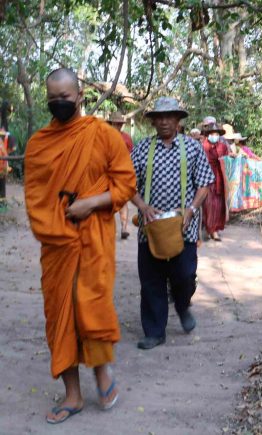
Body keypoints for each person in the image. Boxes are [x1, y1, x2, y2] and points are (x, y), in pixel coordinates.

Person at [24, 67, 136, 424]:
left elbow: (125, 185)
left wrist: (90, 203)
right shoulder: (39, 144)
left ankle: (102, 374)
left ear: (80, 97)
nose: (59, 103)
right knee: (60, 316)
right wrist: (56, 225)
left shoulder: (102, 136)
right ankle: (72, 394)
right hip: (56, 244)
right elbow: (35, 198)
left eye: (65, 98)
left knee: (92, 306)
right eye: (53, 99)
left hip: (94, 240)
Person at [130, 97, 215, 350]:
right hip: (151, 227)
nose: (165, 121)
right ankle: (155, 332)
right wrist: (142, 206)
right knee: (151, 279)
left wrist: (191, 210)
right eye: (160, 117)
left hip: (184, 226)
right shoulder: (142, 148)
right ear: (154, 121)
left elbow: (204, 184)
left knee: (184, 275)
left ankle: (183, 304)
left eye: (170, 116)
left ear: (178, 120)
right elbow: (125, 184)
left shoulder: (192, 148)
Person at [107, 112, 134, 240]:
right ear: (111, 123)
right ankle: (108, 229)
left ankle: (124, 228)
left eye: (120, 124)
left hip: (122, 172)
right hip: (106, 173)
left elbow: (131, 156)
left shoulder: (127, 138)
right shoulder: (104, 135)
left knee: (122, 199)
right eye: (116, 123)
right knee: (107, 200)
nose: (118, 125)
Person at [202, 122, 229, 240]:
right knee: (208, 204)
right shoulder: (203, 146)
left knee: (219, 205)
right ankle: (209, 229)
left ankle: (215, 230)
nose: (214, 135)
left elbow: (226, 159)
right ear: (208, 135)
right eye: (212, 133)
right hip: (207, 177)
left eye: (216, 133)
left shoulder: (223, 146)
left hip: (219, 177)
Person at [0, 125, 16, 208]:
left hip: (2, 164)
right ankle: (2, 203)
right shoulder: (8, 136)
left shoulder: (8, 136)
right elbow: (13, 148)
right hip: (3, 164)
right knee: (2, 183)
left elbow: (13, 148)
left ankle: (2, 202)